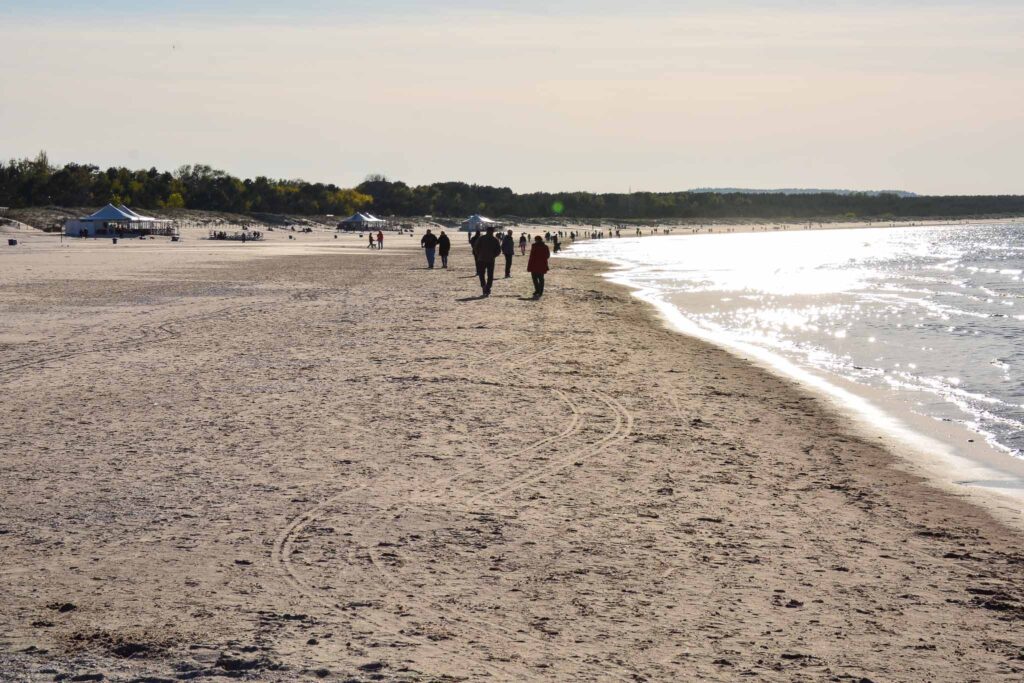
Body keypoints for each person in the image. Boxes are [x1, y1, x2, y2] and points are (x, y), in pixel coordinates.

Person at [472, 226, 501, 296]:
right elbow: (499, 251)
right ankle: (487, 287)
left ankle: (484, 286)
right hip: (490, 259)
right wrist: (493, 255)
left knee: (481, 274)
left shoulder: (481, 238)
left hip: (481, 259)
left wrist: (478, 254)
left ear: (486, 231)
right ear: (493, 231)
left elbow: (475, 248)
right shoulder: (495, 239)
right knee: (490, 275)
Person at [527, 234, 550, 299]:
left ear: (536, 240)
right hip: (542, 265)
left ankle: (537, 290)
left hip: (534, 265)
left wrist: (529, 266)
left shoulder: (534, 246)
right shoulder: (545, 247)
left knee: (535, 279)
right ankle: (540, 291)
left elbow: (531, 256)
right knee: (541, 279)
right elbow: (547, 256)